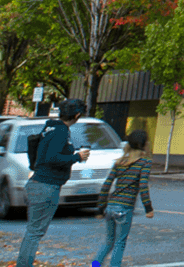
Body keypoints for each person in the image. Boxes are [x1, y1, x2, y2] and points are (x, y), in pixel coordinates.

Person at [19, 98, 90, 267]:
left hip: (37, 182)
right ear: (77, 115)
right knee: (34, 233)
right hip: (46, 185)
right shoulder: (61, 131)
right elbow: (52, 157)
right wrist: (77, 157)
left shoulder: (50, 128)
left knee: (33, 232)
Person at [94, 130, 155, 267]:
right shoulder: (144, 163)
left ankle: (94, 265)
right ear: (144, 145)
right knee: (120, 243)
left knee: (108, 242)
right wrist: (148, 209)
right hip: (124, 208)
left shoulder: (120, 162)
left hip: (110, 207)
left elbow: (106, 185)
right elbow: (143, 186)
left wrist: (100, 208)